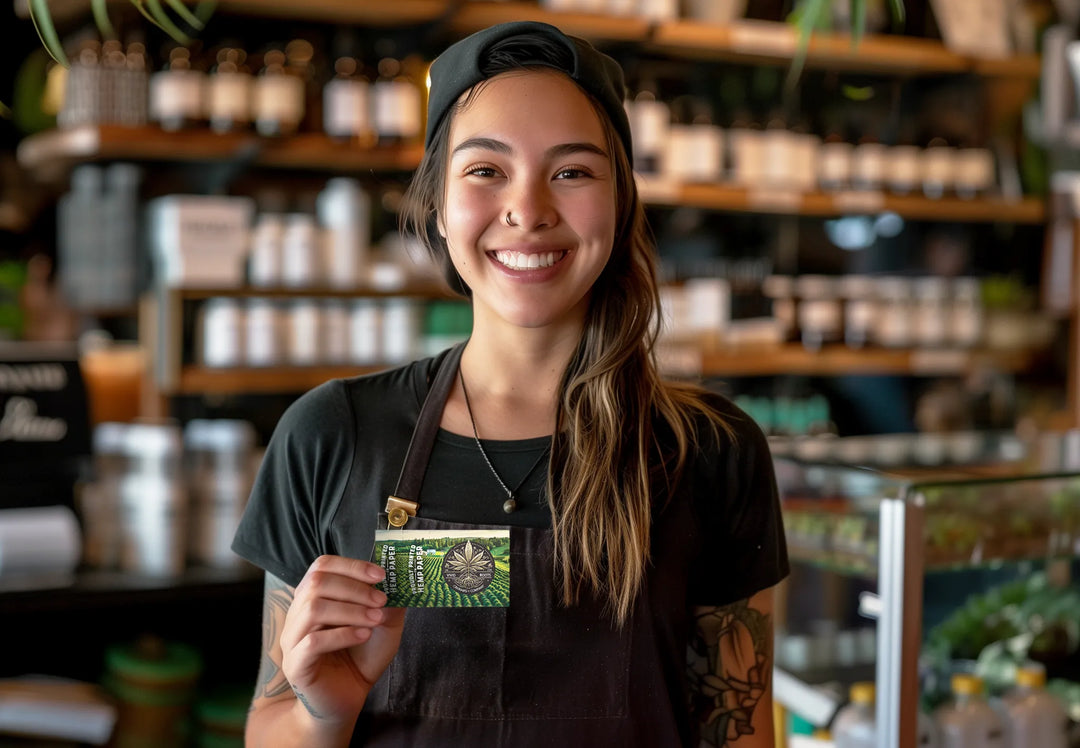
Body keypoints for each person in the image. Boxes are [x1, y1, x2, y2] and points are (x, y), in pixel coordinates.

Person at [231, 20, 789, 747]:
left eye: (572, 172)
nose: (528, 211)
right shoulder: (333, 433)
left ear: (620, 205)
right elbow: (268, 729)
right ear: (435, 202)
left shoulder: (711, 452)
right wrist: (323, 713)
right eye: (486, 170)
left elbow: (739, 735)